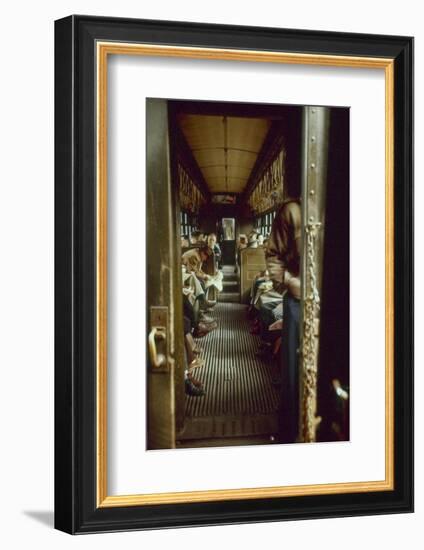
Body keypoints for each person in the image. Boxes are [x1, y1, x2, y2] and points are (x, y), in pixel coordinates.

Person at [265, 197, 301, 443]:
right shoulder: (291, 211)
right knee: (293, 374)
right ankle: (289, 434)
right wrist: (288, 281)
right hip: (297, 300)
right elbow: (273, 255)